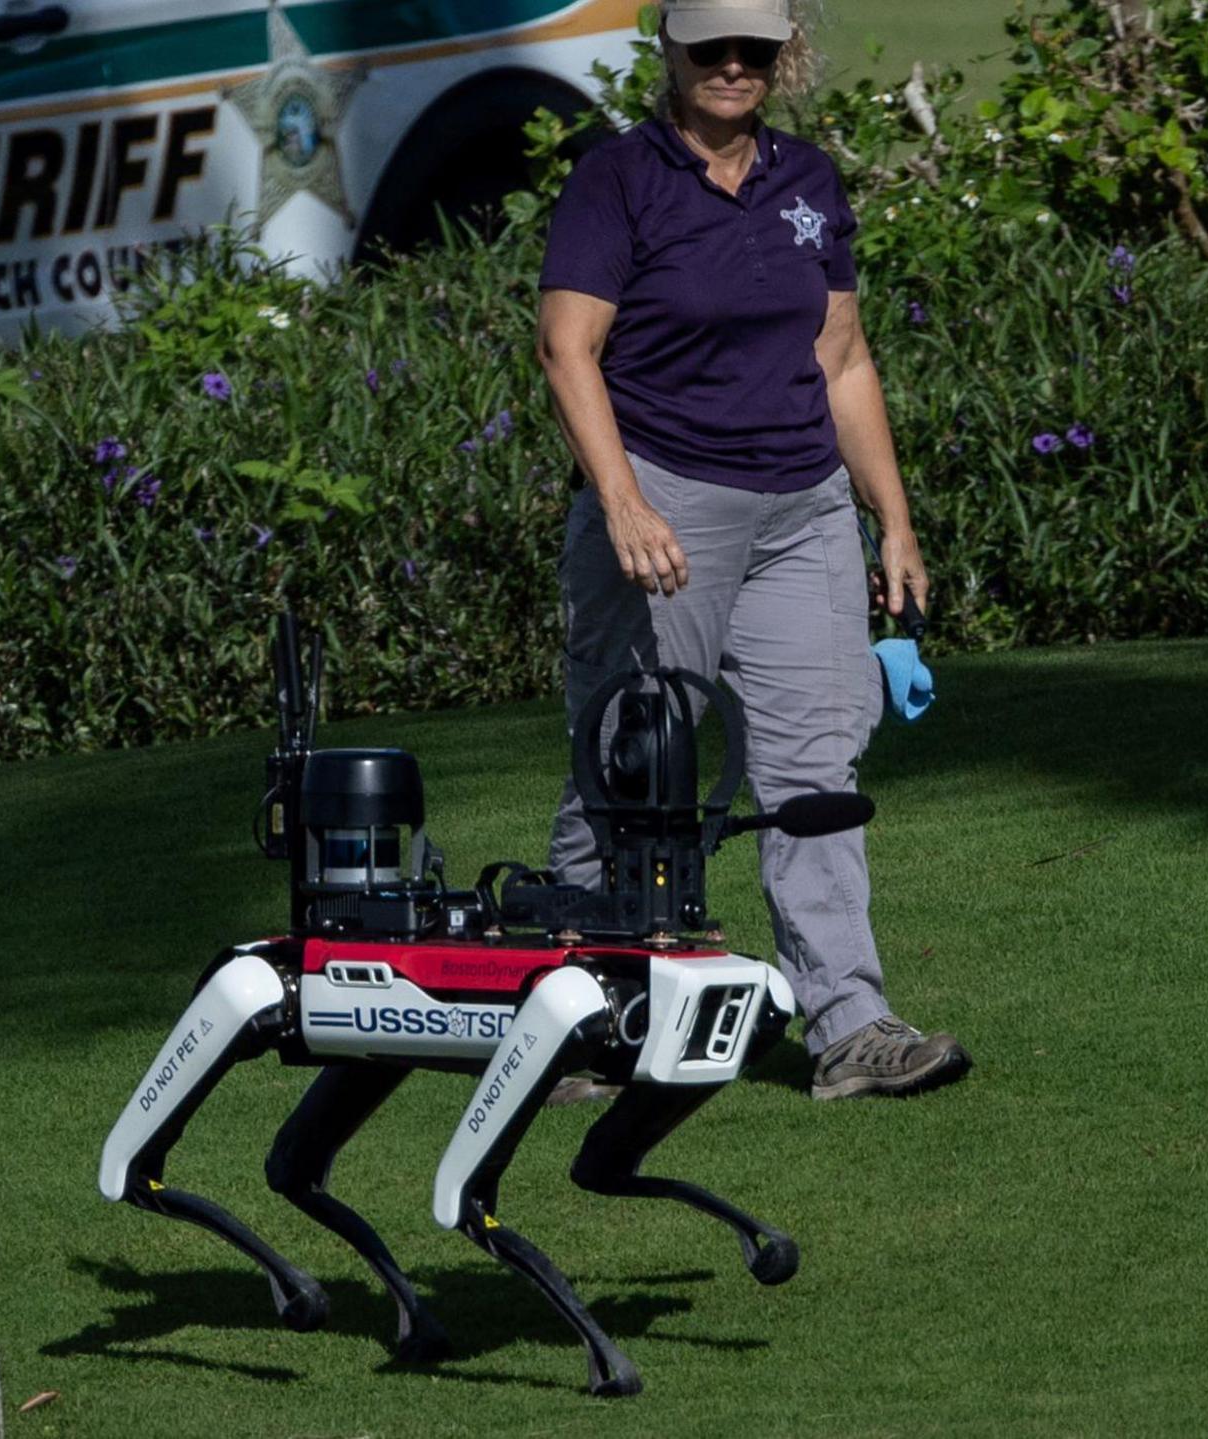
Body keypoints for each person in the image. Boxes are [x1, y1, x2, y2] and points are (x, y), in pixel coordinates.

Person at [537, 0, 968, 1100]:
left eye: (755, 50)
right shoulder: (616, 181)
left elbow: (843, 358)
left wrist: (893, 517)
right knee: (633, 757)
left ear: (783, 56)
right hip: (666, 498)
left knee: (815, 766)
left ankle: (850, 1025)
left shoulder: (806, 180)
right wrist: (623, 502)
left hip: (802, 509)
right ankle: (593, 1012)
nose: (732, 66)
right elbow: (567, 347)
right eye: (709, 48)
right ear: (670, 52)